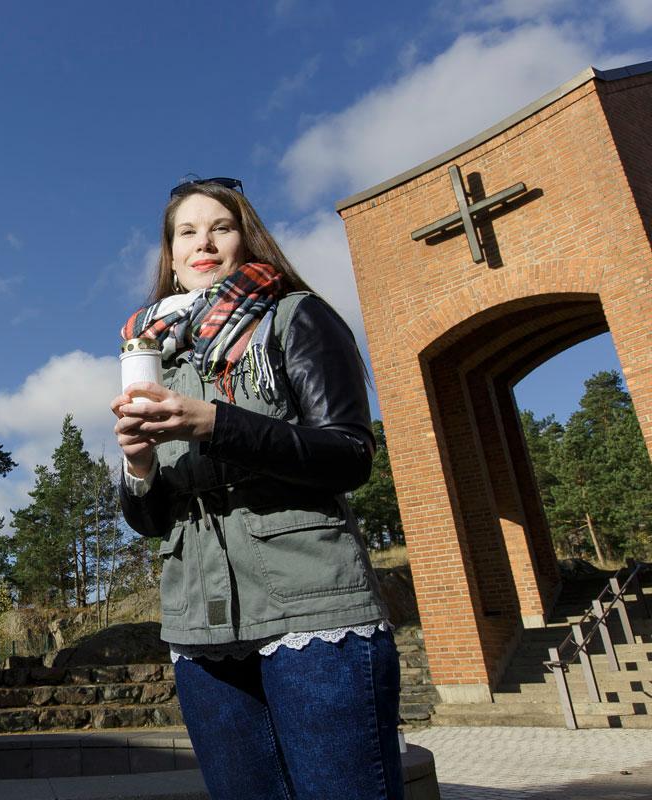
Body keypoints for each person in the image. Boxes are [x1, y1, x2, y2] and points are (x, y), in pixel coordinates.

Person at [110, 177, 404, 799]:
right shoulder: (154, 355)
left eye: (220, 226)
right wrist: (138, 468)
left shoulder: (297, 316)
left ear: (247, 235)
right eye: (186, 232)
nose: (203, 243)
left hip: (312, 612)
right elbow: (154, 520)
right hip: (200, 629)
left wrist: (217, 424)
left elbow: (349, 454)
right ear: (169, 253)